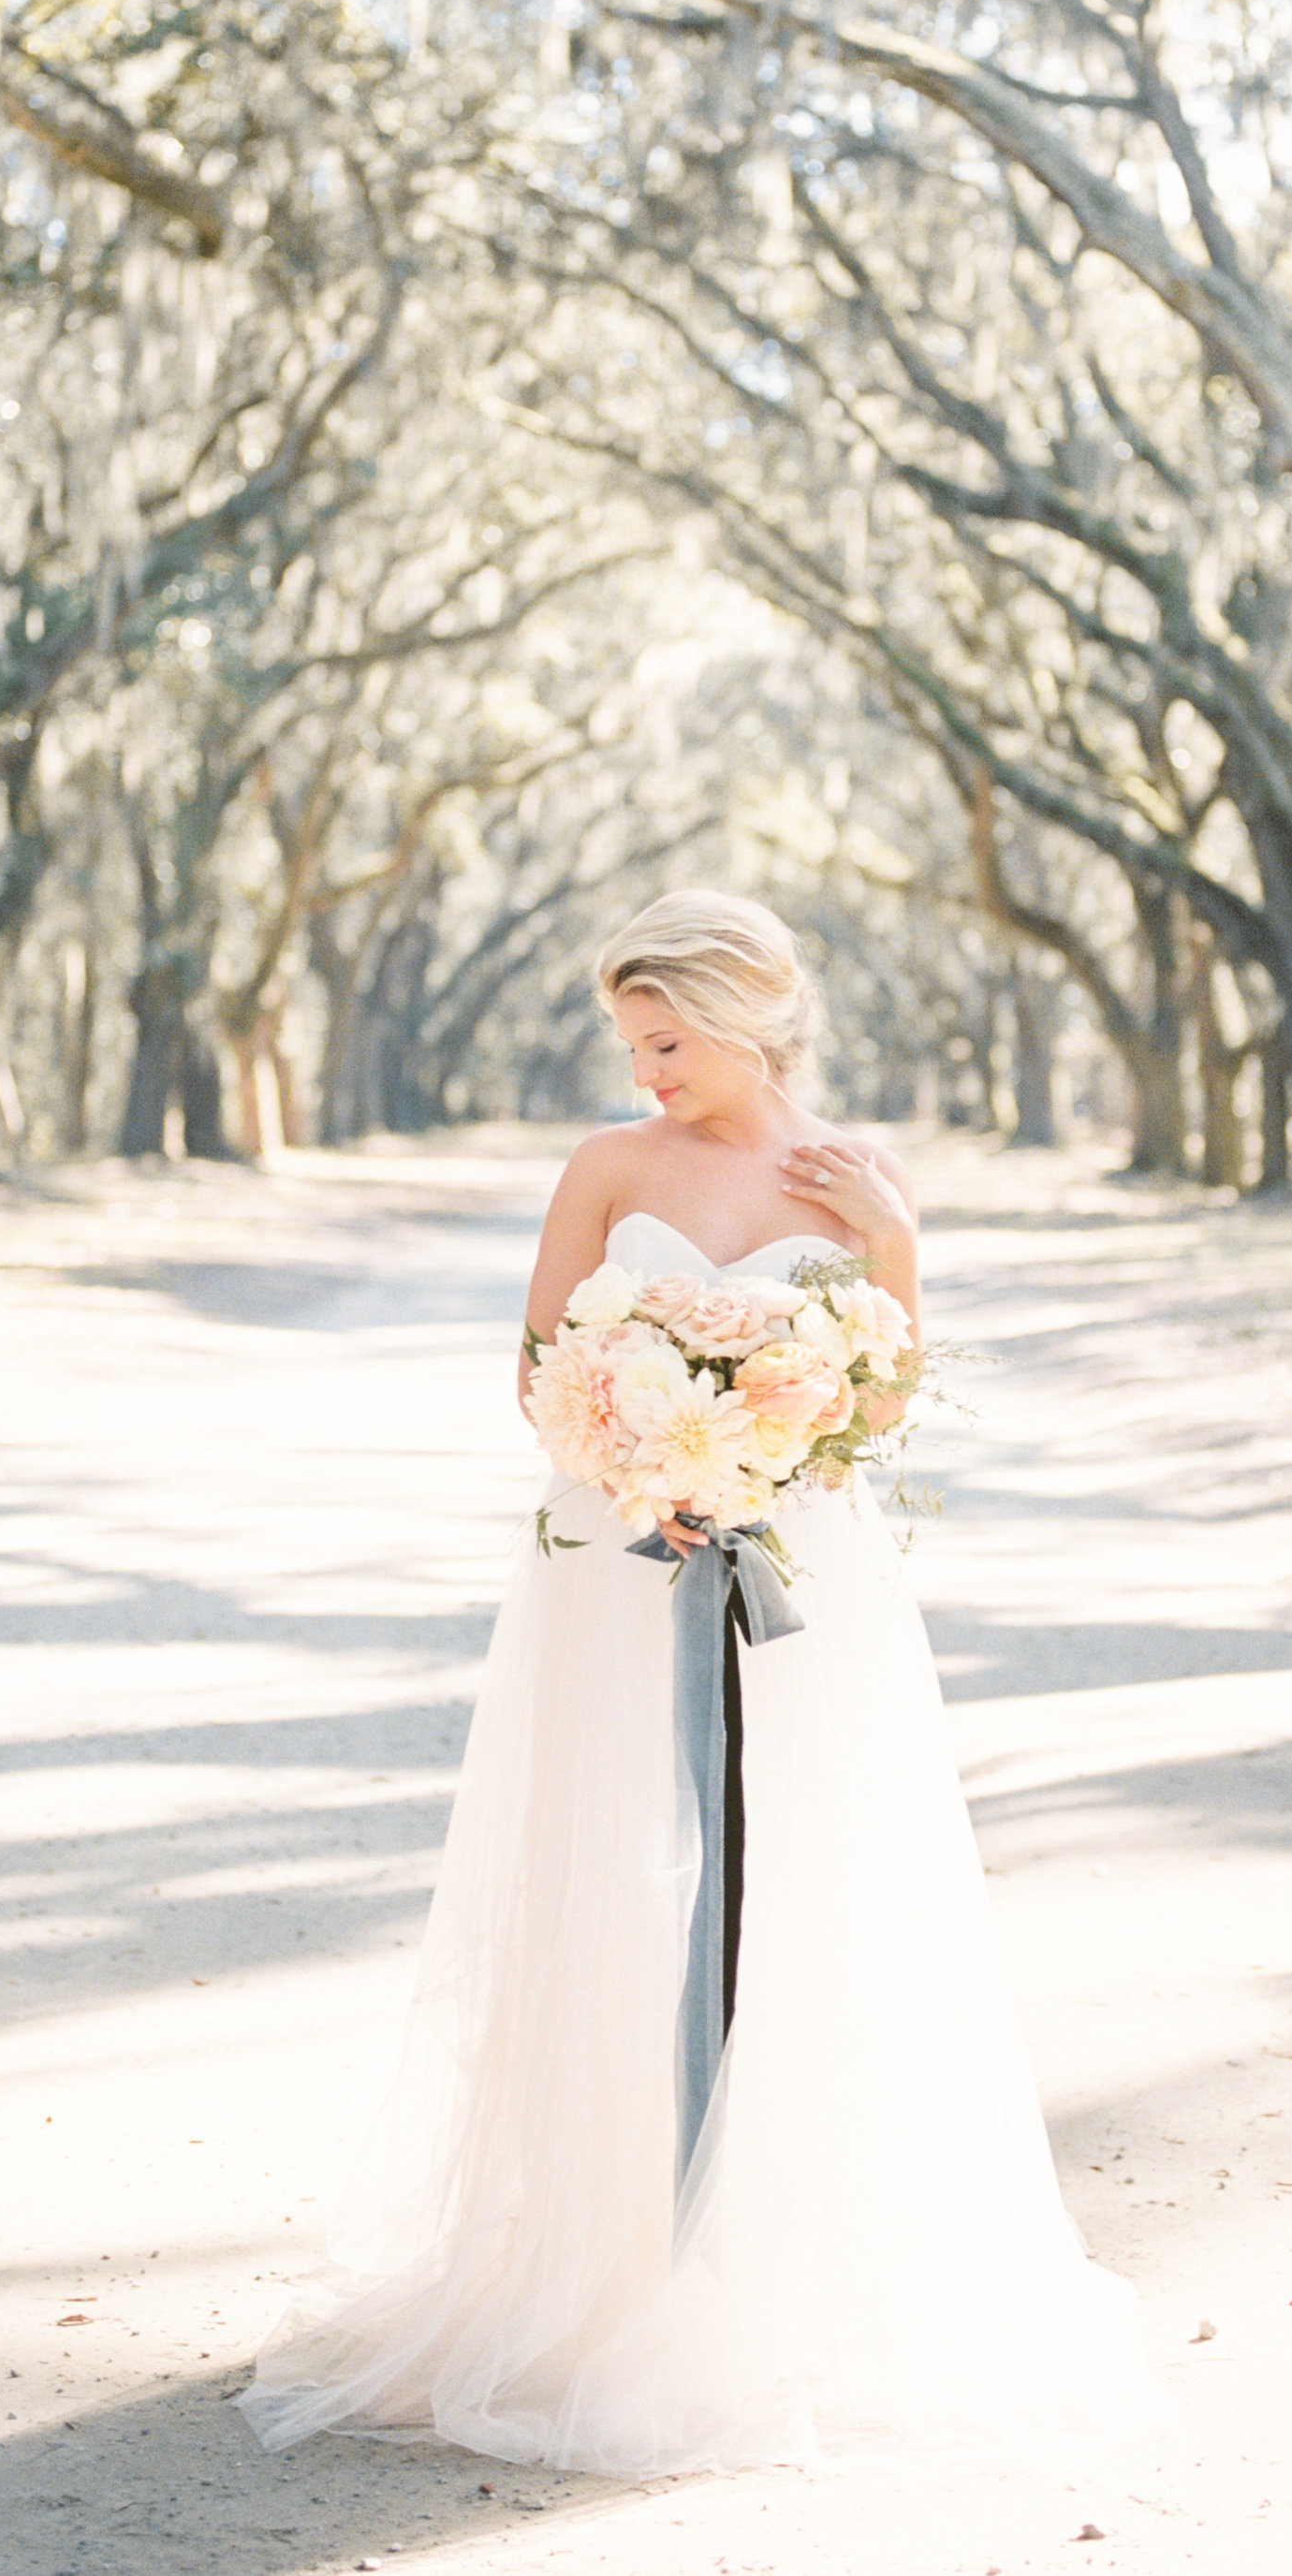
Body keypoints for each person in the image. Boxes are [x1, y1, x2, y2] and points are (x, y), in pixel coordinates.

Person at [237, 890, 1149, 2474]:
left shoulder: (850, 1175)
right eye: (630, 1043)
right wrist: (637, 1454)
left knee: (812, 1886)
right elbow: (536, 1366)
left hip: (813, 1581)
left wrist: (893, 1248)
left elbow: (890, 1392)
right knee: (619, 1881)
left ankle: (784, 2266)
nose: (644, 1069)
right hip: (619, 1562)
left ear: (743, 1017)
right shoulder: (608, 1170)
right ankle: (603, 2269)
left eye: (665, 1039)